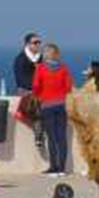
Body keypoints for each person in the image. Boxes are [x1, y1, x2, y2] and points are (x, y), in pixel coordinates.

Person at [32, 42, 73, 175]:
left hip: (47, 106)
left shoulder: (40, 68)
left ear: (46, 54)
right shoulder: (64, 68)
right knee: (62, 137)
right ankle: (62, 168)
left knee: (51, 137)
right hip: (61, 105)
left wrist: (39, 96)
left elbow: (36, 86)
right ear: (56, 54)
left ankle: (53, 167)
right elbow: (68, 87)